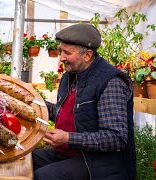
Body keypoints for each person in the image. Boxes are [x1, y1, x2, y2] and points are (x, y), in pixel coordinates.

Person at [32, 24, 136, 180]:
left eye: (67, 53)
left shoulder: (110, 82)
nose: (62, 58)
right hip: (69, 152)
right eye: (61, 51)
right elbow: (66, 113)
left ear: (87, 55)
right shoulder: (71, 76)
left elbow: (115, 137)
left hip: (101, 162)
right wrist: (34, 104)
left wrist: (68, 138)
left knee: (44, 176)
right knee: (27, 160)